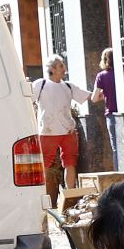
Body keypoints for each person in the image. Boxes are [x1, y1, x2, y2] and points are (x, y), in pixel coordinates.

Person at [33, 55, 91, 207]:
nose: (64, 68)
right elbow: (26, 99)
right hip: (47, 131)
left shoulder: (68, 86)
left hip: (68, 131)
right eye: (60, 66)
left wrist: (102, 89)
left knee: (70, 163)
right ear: (52, 69)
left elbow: (89, 96)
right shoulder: (41, 84)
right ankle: (42, 199)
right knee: (44, 165)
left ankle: (70, 197)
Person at [94, 48, 120, 159]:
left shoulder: (101, 76)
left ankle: (118, 174)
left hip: (111, 114)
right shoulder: (121, 73)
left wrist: (104, 94)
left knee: (115, 149)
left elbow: (94, 98)